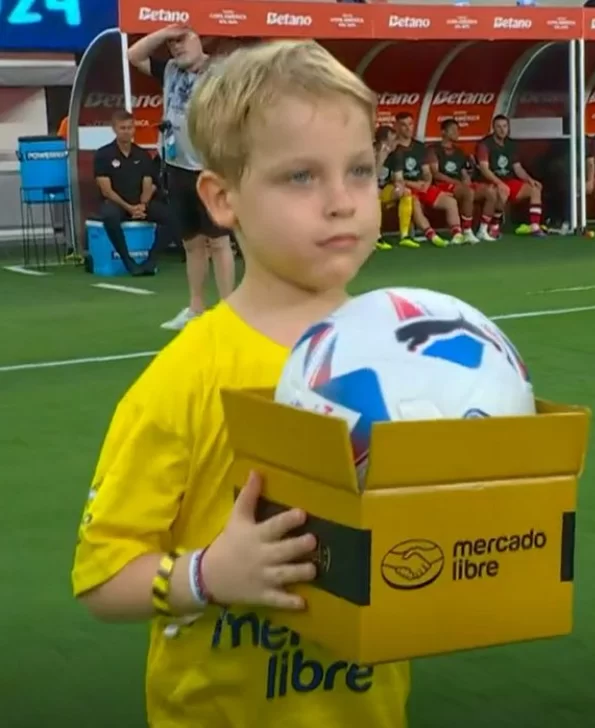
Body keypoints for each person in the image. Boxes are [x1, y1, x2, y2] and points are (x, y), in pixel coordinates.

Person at [72, 40, 409, 728]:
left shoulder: (408, 351)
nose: (343, 202)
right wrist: (207, 577)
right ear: (223, 198)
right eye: (300, 177)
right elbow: (103, 578)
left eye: (359, 170)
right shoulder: (188, 375)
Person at [128, 25, 236, 330]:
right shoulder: (170, 70)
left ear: (198, 38)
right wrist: (164, 33)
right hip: (176, 168)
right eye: (171, 44)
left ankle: (228, 311)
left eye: (182, 41)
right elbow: (133, 54)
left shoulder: (218, 72)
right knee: (192, 243)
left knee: (218, 241)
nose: (176, 49)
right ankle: (195, 307)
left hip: (209, 168)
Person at [94, 109, 174, 275]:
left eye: (130, 127)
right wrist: (129, 208)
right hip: (117, 204)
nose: (127, 131)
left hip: (140, 204)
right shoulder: (103, 154)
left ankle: (151, 260)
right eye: (123, 128)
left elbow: (148, 182)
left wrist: (142, 205)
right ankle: (128, 261)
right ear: (114, 129)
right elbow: (106, 190)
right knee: (110, 215)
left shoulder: (142, 154)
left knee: (172, 216)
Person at [392, 111, 460, 246]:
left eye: (410, 124)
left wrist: (427, 183)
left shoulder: (419, 146)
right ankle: (432, 235)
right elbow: (396, 178)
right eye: (403, 125)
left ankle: (457, 234)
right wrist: (415, 185)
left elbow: (427, 171)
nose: (408, 128)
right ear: (397, 127)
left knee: (450, 202)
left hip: (422, 185)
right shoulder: (393, 148)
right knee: (414, 202)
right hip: (405, 188)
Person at [473, 114, 545, 238]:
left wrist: (530, 179)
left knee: (535, 189)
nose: (502, 130)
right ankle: (494, 226)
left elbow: (517, 168)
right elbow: (484, 170)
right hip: (489, 181)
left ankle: (534, 227)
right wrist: (499, 183)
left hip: (508, 180)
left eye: (505, 126)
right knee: (503, 191)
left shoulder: (511, 144)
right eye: (499, 127)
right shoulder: (485, 144)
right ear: (493, 128)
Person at [427, 118, 496, 243]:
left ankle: (482, 230)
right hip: (442, 185)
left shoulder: (459, 151)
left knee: (490, 192)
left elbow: (463, 171)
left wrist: (466, 179)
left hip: (460, 185)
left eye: (457, 130)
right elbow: (436, 174)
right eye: (453, 130)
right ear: (443, 132)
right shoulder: (433, 149)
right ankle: (467, 231)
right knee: (468, 192)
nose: (457, 132)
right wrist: (457, 183)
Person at [374, 125, 419, 250]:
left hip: (384, 190)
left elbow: (398, 176)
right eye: (393, 140)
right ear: (384, 142)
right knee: (374, 193)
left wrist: (399, 184)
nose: (396, 143)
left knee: (406, 192)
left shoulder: (396, 154)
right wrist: (381, 158)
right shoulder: (370, 152)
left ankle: (404, 237)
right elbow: (371, 178)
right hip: (364, 192)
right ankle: (376, 238)